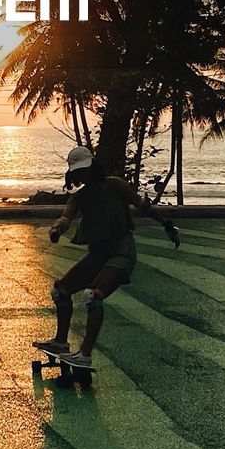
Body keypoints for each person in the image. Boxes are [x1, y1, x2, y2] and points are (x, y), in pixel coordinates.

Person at [34, 145, 180, 371]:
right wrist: (57, 229)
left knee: (93, 295)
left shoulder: (116, 185)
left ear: (92, 166)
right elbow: (66, 217)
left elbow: (142, 205)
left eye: (84, 170)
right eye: (77, 172)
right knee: (61, 291)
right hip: (98, 253)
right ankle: (61, 342)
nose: (81, 175)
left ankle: (85, 354)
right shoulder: (79, 197)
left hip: (122, 251)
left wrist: (167, 225)